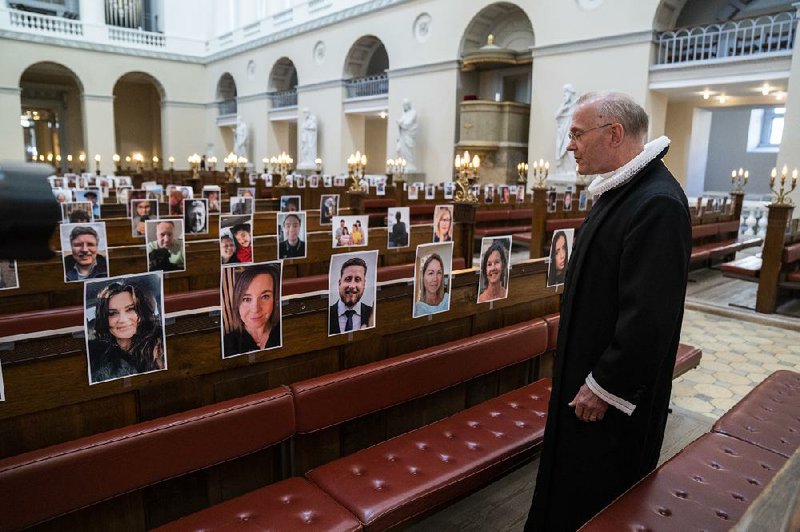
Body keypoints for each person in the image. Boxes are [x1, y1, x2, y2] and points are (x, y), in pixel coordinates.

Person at [524, 92, 691, 531]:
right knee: (570, 486)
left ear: (614, 134)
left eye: (577, 134)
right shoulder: (624, 192)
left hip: (610, 400)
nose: (569, 145)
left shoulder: (656, 203)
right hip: (587, 377)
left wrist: (604, 386)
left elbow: (649, 317)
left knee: (599, 497)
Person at [88, 279, 165, 383]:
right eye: (112, 313)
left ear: (142, 312)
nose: (123, 320)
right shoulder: (96, 356)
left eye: (130, 309)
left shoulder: (160, 345)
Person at [223, 263, 281, 357]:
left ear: (275, 300)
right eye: (246, 299)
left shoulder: (284, 331)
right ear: (237, 303)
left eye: (265, 296)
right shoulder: (227, 344)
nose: (255, 309)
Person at [329, 257, 373, 335]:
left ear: (364, 284)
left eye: (357, 279)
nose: (352, 285)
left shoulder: (371, 314)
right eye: (348, 279)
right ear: (339, 283)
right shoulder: (327, 313)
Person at [555, 83, 578, 171]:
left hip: (571, 132)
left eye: (566, 93)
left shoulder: (576, 103)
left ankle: (573, 170)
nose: (565, 95)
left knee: (570, 149)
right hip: (563, 132)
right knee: (564, 150)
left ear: (570, 93)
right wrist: (564, 108)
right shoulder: (564, 105)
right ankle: (564, 171)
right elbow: (556, 116)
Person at [396, 98, 418, 172]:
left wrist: (401, 124)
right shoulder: (404, 113)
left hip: (409, 135)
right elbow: (401, 122)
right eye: (403, 105)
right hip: (403, 135)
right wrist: (400, 123)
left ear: (408, 105)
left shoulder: (413, 112)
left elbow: (410, 122)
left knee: (408, 150)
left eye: (405, 105)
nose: (404, 107)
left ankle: (410, 164)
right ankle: (404, 164)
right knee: (401, 150)